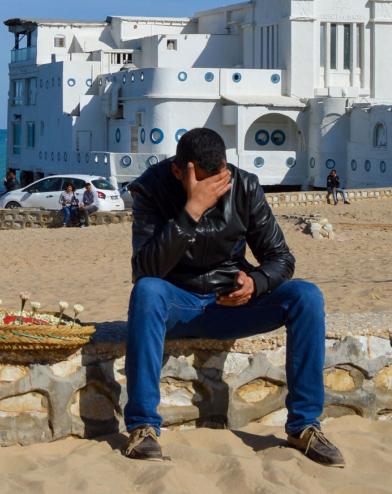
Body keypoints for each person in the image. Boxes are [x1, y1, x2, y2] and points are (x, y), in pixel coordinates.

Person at [123, 127, 344, 468]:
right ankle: (143, 428)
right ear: (179, 171)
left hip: (231, 305)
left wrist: (255, 282)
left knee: (306, 296)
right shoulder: (151, 188)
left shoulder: (243, 185)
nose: (217, 189)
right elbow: (145, 269)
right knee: (147, 292)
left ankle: (303, 426)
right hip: (177, 303)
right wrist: (192, 210)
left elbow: (281, 259)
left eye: (220, 179)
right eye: (205, 183)